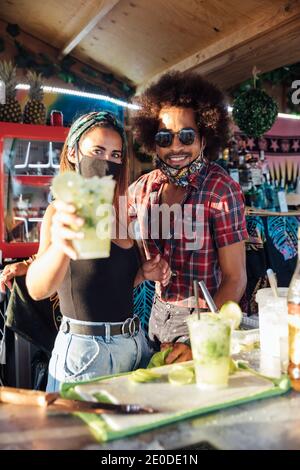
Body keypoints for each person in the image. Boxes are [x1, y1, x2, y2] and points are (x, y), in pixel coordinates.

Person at [24, 111, 171, 392]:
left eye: (116, 155)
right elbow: (37, 288)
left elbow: (105, 283)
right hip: (85, 354)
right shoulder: (61, 211)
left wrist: (143, 273)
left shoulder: (119, 212)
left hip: (134, 347)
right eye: (97, 151)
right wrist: (61, 248)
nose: (107, 161)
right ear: (73, 154)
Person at [129, 71, 248, 364]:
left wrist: (201, 339)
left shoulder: (221, 190)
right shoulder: (142, 188)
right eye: (164, 137)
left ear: (205, 137)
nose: (175, 147)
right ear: (152, 141)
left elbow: (235, 278)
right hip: (153, 319)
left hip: (204, 318)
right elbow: (101, 235)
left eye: (186, 135)